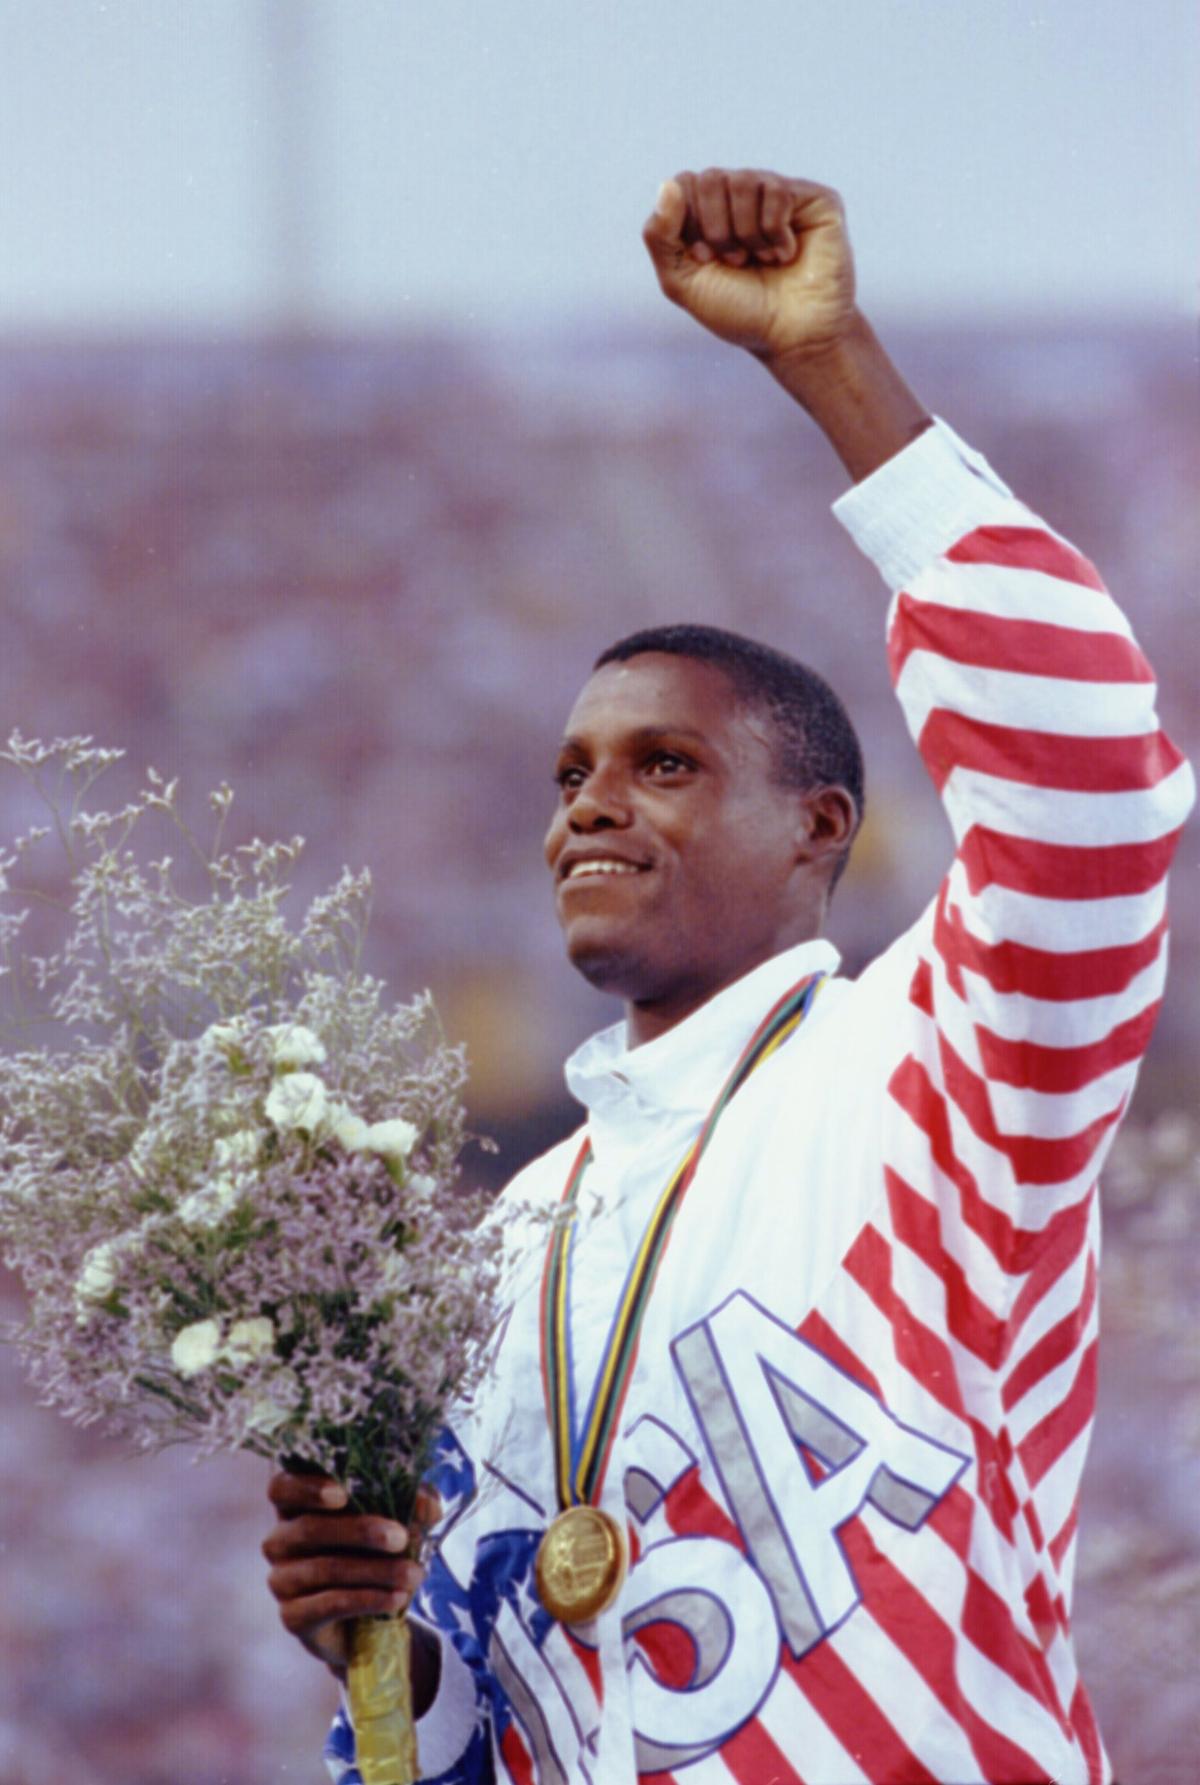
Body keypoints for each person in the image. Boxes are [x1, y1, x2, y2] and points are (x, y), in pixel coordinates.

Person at [261, 170, 1192, 1784]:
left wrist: (838, 374)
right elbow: (499, 1724)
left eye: (666, 761)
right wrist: (382, 1642)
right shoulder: (510, 1239)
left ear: (819, 826)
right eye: (568, 775)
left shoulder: (941, 1067)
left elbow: (1095, 788)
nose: (590, 805)